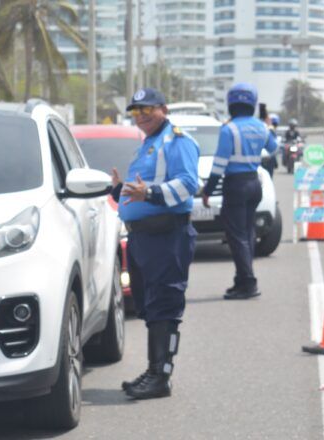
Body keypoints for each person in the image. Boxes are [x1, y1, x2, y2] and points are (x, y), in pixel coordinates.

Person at [115, 88, 199, 400]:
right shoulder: (148, 144)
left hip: (166, 236)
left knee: (164, 305)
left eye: (147, 109)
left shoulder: (177, 141)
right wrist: (117, 193)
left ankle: (160, 375)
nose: (141, 117)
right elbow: (139, 191)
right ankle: (153, 370)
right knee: (149, 305)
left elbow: (189, 184)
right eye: (135, 112)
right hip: (143, 237)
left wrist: (148, 195)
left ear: (163, 108)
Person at [202, 83, 277, 300]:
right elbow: (273, 150)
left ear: (231, 104)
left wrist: (207, 190)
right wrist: (267, 128)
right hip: (254, 183)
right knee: (247, 233)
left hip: (235, 185)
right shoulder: (261, 127)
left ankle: (249, 283)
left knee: (236, 237)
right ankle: (241, 280)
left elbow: (218, 164)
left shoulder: (229, 129)